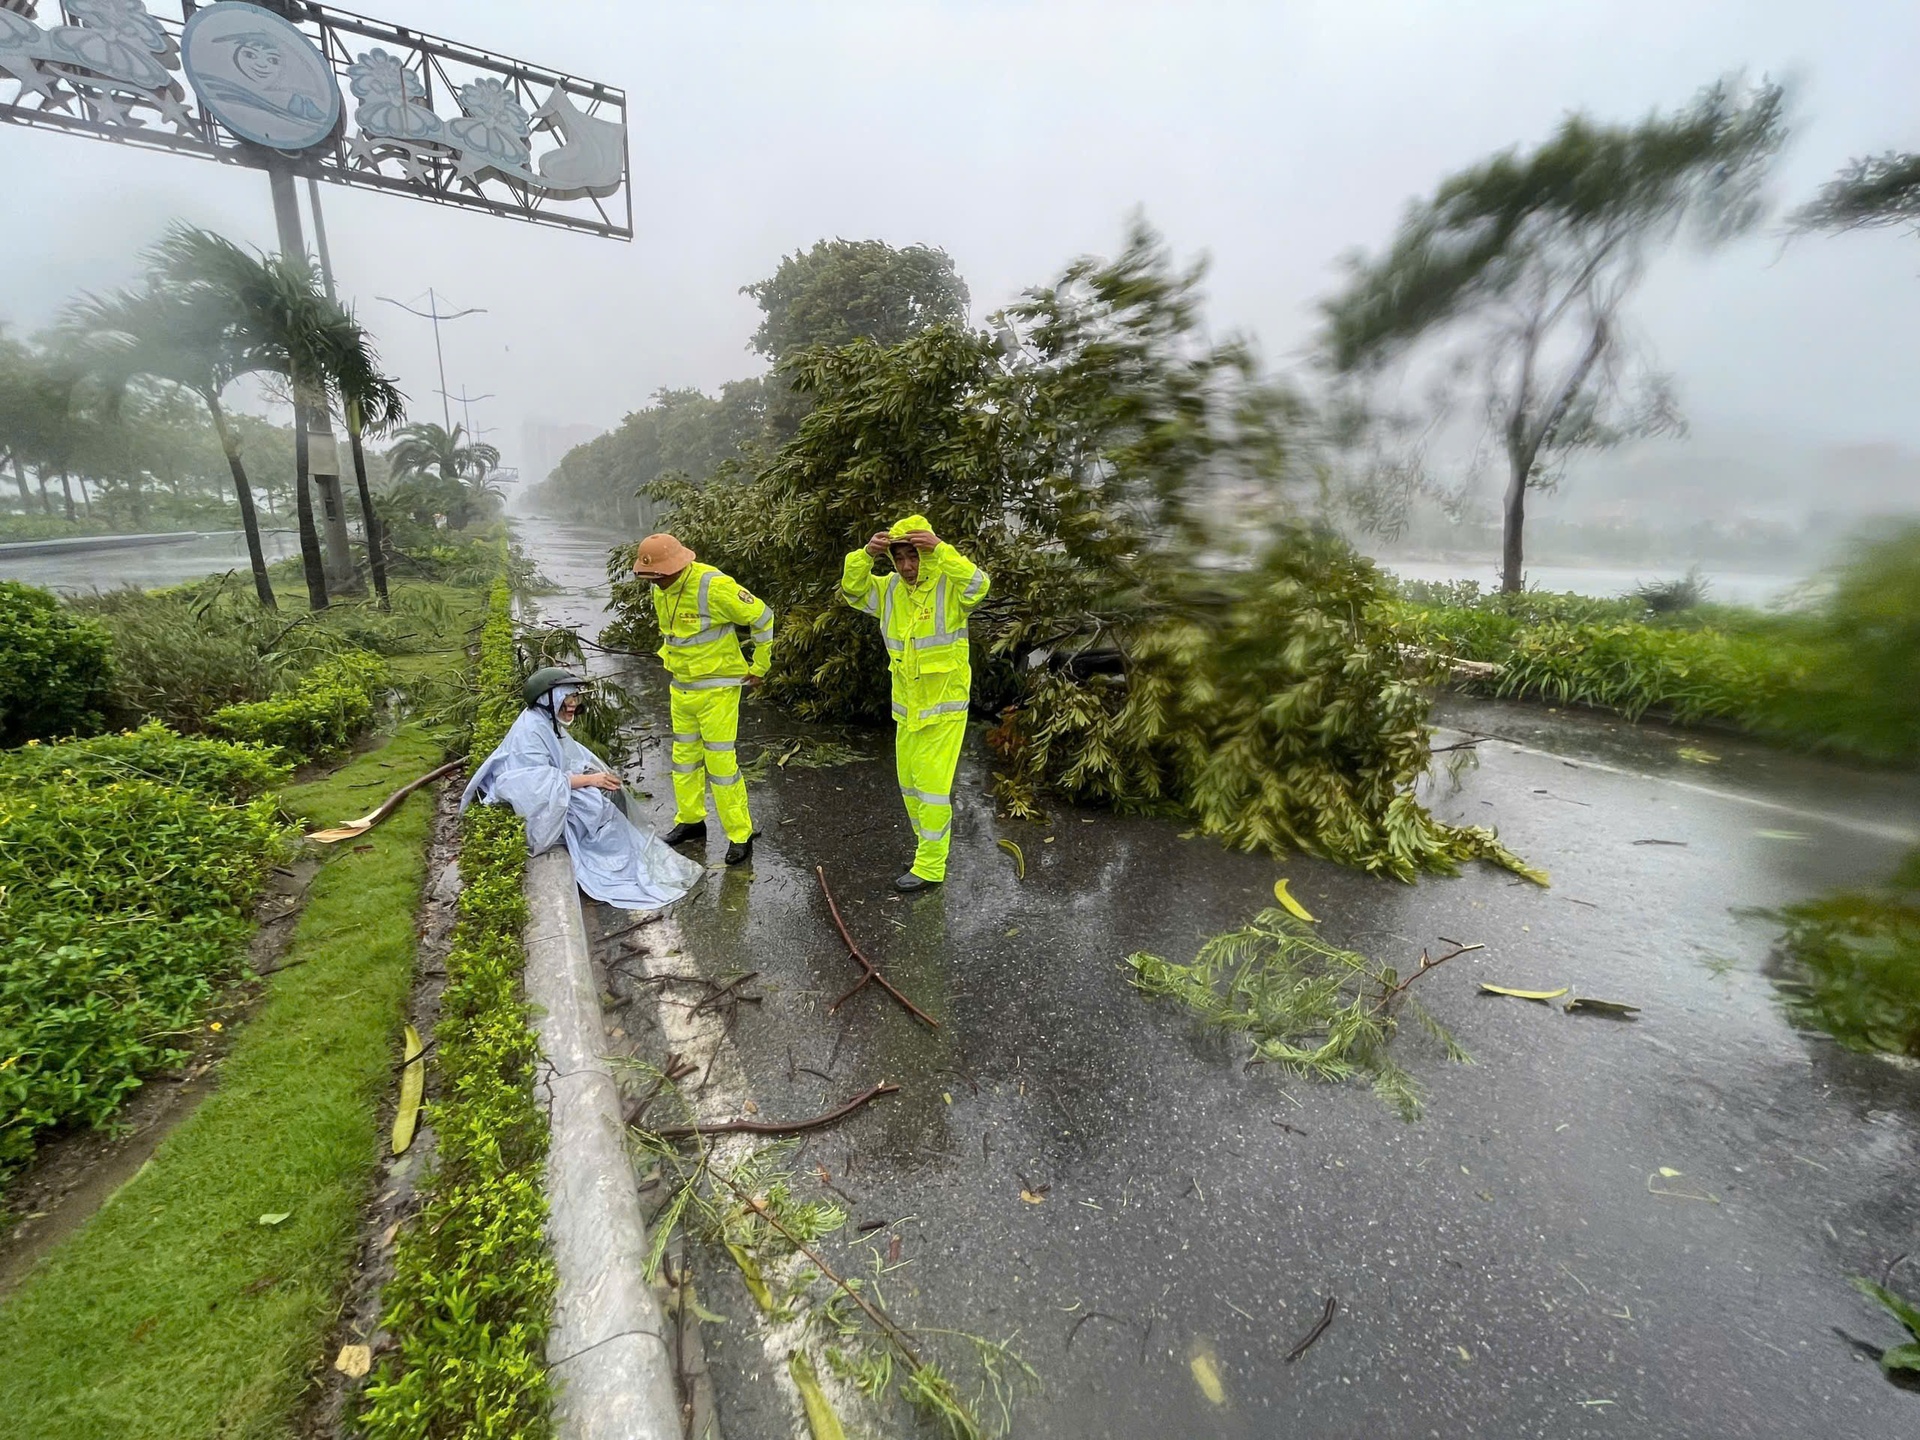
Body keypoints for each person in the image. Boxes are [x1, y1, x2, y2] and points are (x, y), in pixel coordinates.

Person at [462, 667, 704, 910]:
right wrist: (590, 780)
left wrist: (592, 774)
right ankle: (619, 861)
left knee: (607, 791)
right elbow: (536, 783)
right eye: (567, 699)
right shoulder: (532, 731)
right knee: (599, 803)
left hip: (550, 793)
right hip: (537, 807)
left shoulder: (545, 722)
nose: (573, 705)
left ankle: (630, 856)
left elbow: (567, 758)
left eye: (574, 698)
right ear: (548, 701)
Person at [840, 514, 990, 891]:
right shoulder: (890, 590)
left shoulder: (949, 586)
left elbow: (979, 584)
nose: (908, 566)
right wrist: (864, 554)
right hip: (907, 708)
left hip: (944, 708)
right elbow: (853, 591)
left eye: (915, 556)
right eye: (901, 557)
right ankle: (926, 847)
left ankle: (930, 866)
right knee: (909, 785)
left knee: (932, 789)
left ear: (927, 553)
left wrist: (940, 548)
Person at [630, 532, 774, 866]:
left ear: (676, 567)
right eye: (649, 578)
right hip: (682, 689)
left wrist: (760, 667)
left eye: (659, 576)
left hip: (718, 690)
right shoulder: (660, 588)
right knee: (684, 759)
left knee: (722, 765)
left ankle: (740, 834)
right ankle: (691, 820)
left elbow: (764, 617)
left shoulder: (714, 586)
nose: (655, 583)